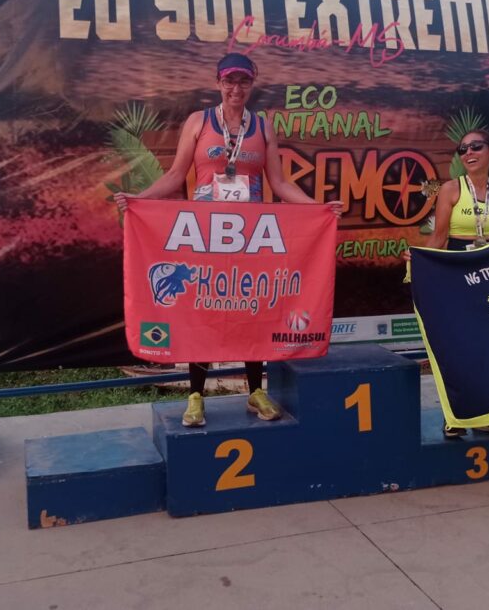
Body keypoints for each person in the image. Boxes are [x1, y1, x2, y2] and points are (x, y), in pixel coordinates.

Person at [114, 53, 342, 428]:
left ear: (253, 84)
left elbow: (281, 184)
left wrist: (321, 209)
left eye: (243, 82)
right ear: (218, 83)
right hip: (205, 236)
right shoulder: (198, 122)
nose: (236, 89)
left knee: (251, 308)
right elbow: (175, 175)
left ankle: (255, 391)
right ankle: (195, 395)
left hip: (250, 236)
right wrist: (140, 201)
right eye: (229, 81)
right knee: (201, 310)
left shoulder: (263, 127)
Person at [402, 128, 489, 439]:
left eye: (475, 146)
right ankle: (454, 416)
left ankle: (484, 414)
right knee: (457, 346)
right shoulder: (451, 189)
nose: (468, 153)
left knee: (488, 346)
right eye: (462, 149)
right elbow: (438, 237)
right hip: (455, 270)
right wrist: (421, 262)